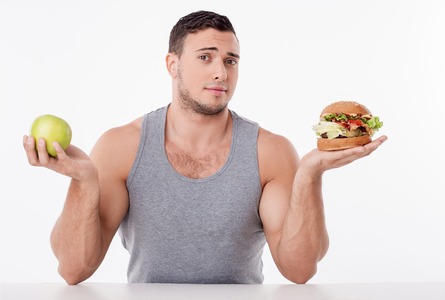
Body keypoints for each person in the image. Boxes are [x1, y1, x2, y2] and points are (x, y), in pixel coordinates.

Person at [23, 10, 387, 285]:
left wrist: (310, 174)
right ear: (173, 64)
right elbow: (73, 269)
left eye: (231, 60)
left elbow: (299, 270)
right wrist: (84, 182)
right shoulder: (121, 146)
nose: (221, 73)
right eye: (205, 56)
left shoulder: (270, 151)